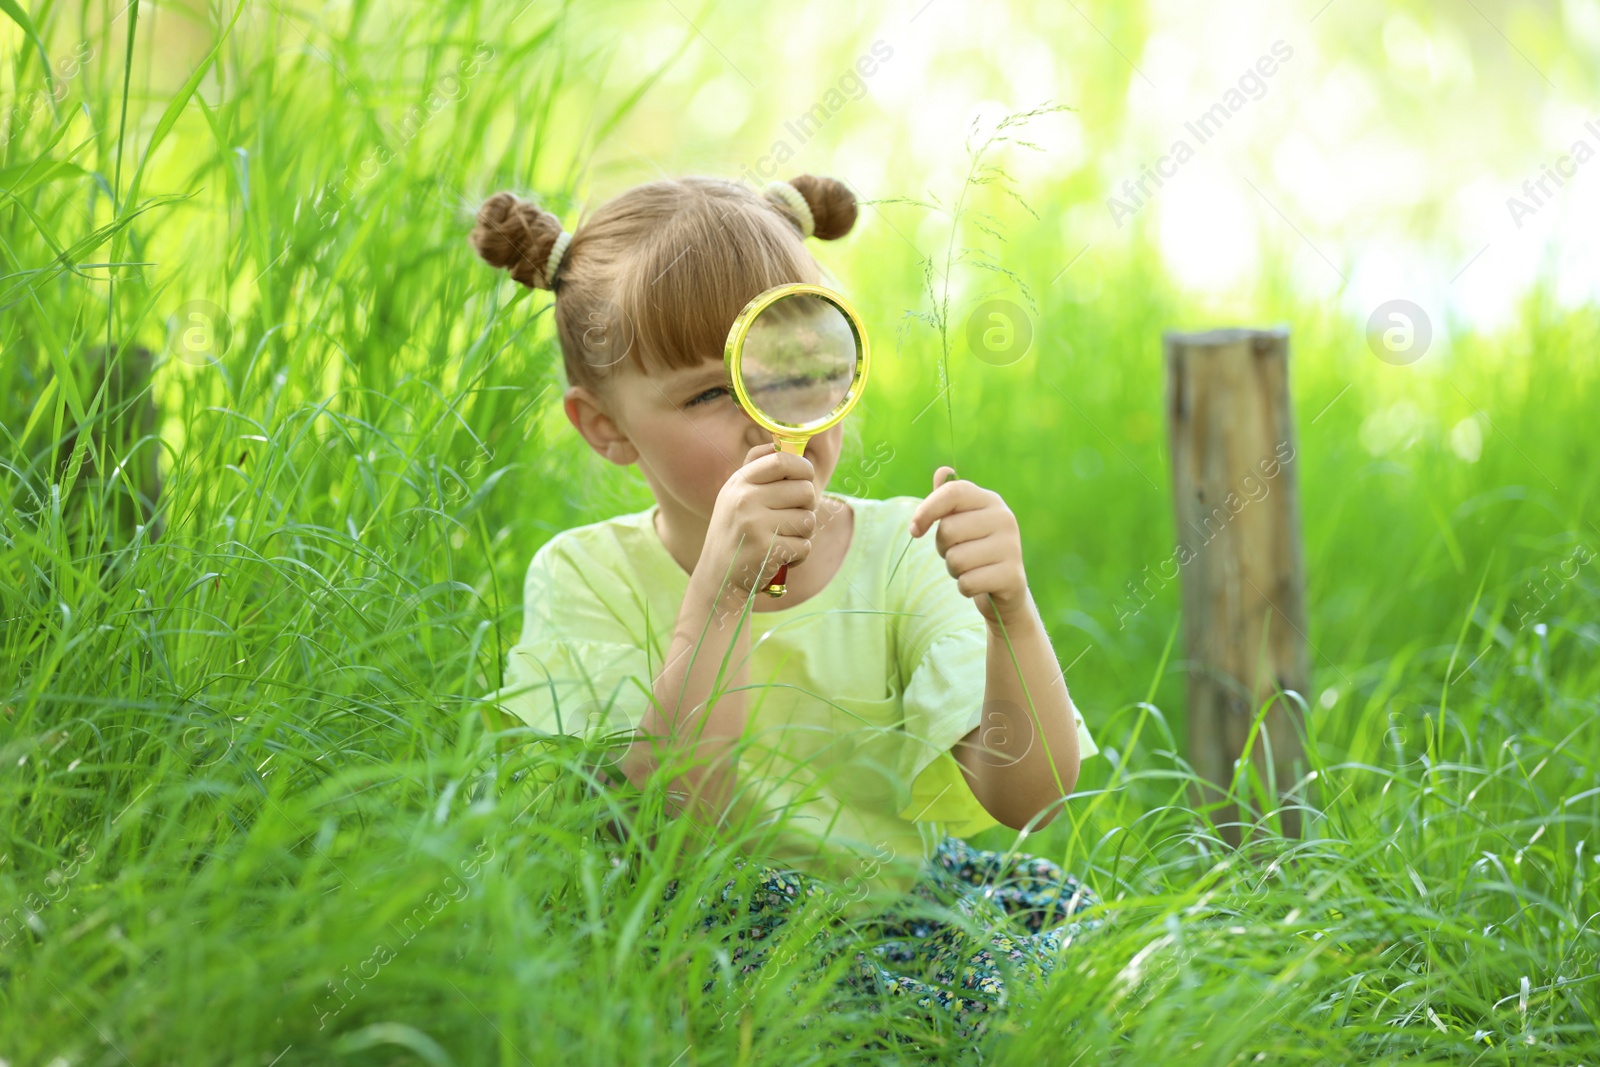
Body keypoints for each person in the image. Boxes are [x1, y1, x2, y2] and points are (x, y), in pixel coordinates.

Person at [469, 173, 1105, 1041]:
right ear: (605, 428)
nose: (771, 425)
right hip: (696, 930)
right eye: (709, 392)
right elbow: (661, 833)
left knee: (1077, 982)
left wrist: (1010, 615)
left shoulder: (904, 553)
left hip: (897, 916)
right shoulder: (584, 577)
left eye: (800, 373)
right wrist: (722, 597)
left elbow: (1029, 798)